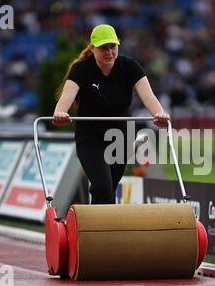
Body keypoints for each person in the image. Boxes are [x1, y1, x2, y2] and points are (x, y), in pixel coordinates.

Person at [53, 24, 169, 204]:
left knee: (110, 189)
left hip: (120, 137)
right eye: (103, 48)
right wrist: (60, 112)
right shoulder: (82, 69)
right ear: (92, 48)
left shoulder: (129, 66)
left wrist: (159, 114)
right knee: (102, 186)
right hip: (90, 138)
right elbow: (67, 96)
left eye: (112, 47)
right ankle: (97, 229)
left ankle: (100, 226)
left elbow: (149, 97)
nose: (109, 52)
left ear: (118, 46)